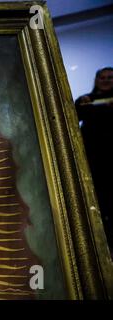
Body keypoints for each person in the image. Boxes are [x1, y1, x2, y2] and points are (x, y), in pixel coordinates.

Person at [75, 67, 113, 252]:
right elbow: (73, 118)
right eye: (102, 77)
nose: (105, 80)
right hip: (92, 163)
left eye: (110, 77)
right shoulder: (85, 101)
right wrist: (81, 104)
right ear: (96, 80)